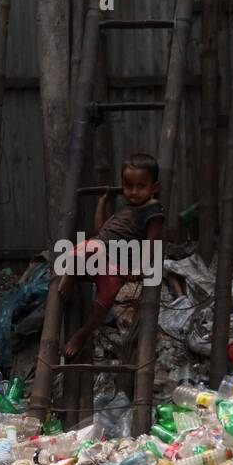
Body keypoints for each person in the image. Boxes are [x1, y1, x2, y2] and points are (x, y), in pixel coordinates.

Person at [56, 153, 165, 359]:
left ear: (154, 187)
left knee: (104, 302)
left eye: (141, 186)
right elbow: (101, 229)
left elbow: (152, 242)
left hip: (120, 263)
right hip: (101, 247)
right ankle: (70, 276)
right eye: (128, 186)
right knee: (80, 250)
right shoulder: (127, 209)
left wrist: (139, 267)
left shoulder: (153, 210)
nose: (133, 192)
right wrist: (102, 203)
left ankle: (82, 334)